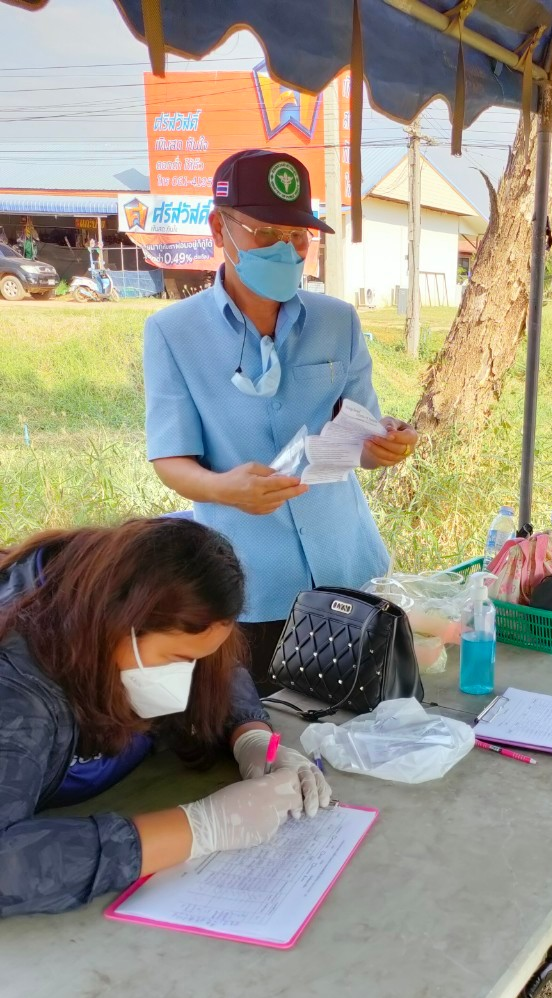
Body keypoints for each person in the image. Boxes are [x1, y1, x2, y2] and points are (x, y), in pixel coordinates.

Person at [0, 517, 331, 998]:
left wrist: (250, 737)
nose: (186, 679)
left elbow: (215, 662)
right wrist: (196, 828)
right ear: (118, 621)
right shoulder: (18, 685)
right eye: (177, 661)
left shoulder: (116, 600)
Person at [145, 149, 418, 690]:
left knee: (359, 719)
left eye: (298, 236)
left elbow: (359, 434)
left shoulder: (336, 321)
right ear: (218, 228)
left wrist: (385, 445)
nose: (285, 249)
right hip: (250, 586)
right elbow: (170, 459)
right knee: (268, 728)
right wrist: (226, 489)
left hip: (348, 569)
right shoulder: (173, 332)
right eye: (265, 231)